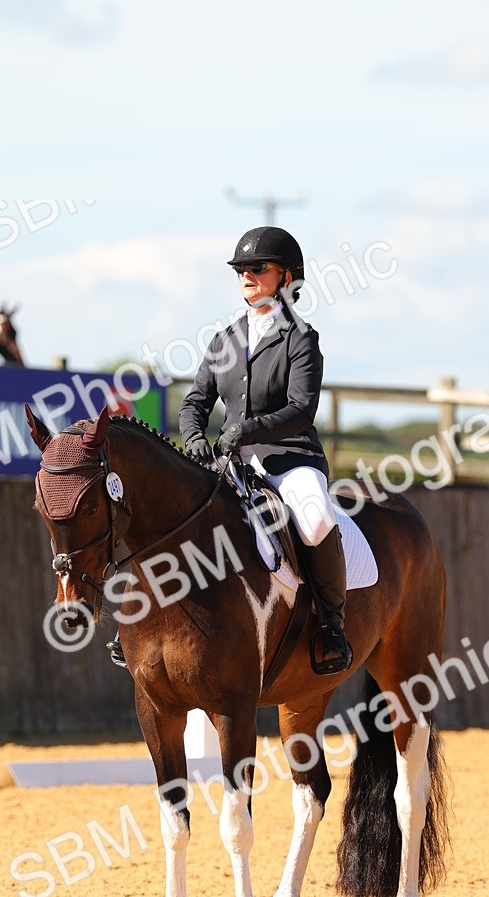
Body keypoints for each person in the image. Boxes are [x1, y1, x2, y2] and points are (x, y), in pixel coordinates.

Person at [106, 226, 352, 672]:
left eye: (258, 267)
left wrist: (249, 429)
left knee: (315, 520)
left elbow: (301, 409)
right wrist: (195, 435)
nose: (246, 274)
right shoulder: (225, 340)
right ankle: (141, 621)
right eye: (241, 268)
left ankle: (331, 624)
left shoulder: (301, 339)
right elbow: (196, 400)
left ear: (287, 277)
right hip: (232, 462)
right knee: (179, 514)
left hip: (289, 458)